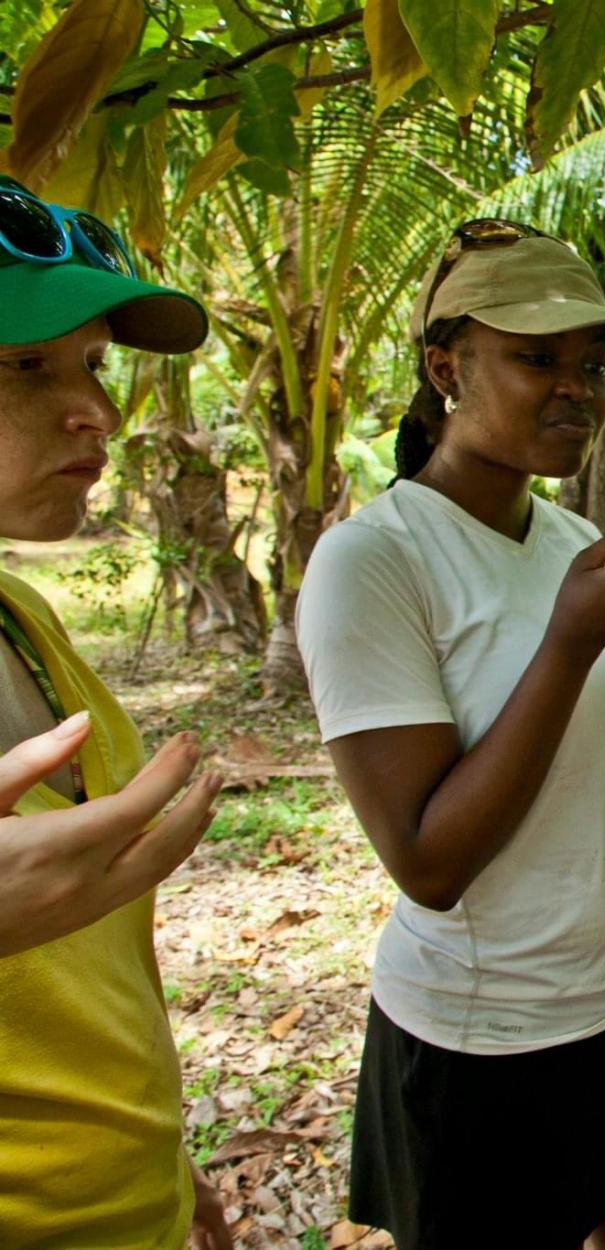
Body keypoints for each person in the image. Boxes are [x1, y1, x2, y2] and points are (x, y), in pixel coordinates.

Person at [296, 221, 605, 1249]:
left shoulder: (575, 543)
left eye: (589, 362)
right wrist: (570, 642)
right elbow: (427, 859)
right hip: (480, 1047)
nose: (575, 385)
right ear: (446, 365)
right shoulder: (373, 563)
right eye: (537, 356)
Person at [0, 177, 231, 1248]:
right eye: (25, 364)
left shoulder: (22, 611)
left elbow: (75, 974)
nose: (96, 406)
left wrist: (167, 1167)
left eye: (93, 362)